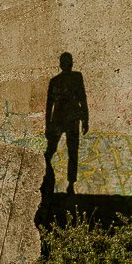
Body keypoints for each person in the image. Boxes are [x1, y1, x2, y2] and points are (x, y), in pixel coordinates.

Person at [43, 52, 89, 195]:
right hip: (71, 119)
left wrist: (48, 124)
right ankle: (70, 184)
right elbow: (82, 98)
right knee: (72, 151)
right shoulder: (76, 77)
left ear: (61, 64)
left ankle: (47, 175)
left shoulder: (55, 81)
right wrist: (85, 119)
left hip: (59, 119)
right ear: (71, 63)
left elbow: (49, 105)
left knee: (51, 150)